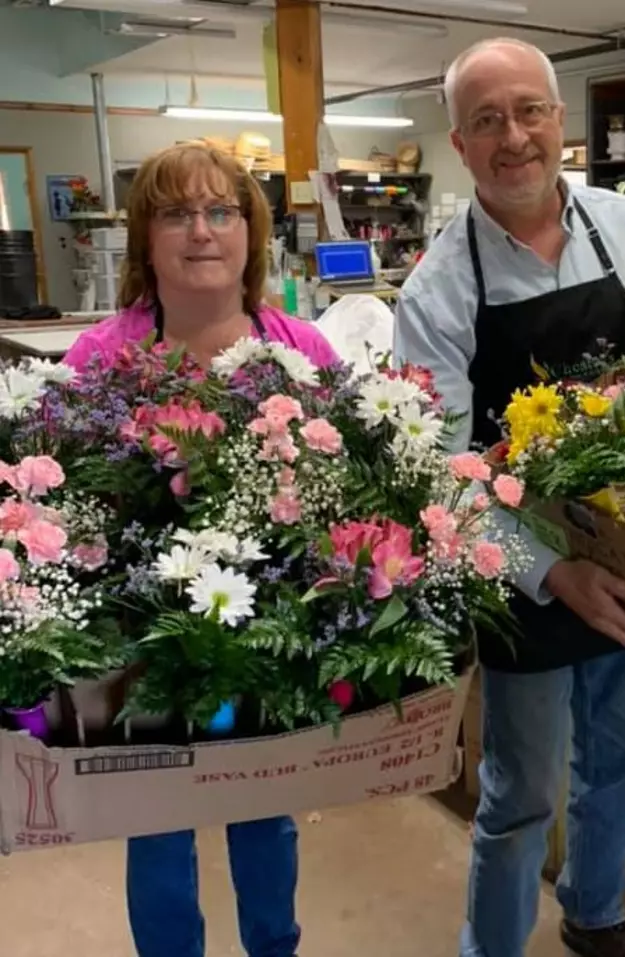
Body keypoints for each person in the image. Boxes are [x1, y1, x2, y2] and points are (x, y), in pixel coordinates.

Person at [394, 38, 625, 957]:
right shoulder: (436, 293)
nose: (513, 137)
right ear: (459, 145)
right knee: (518, 797)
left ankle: (596, 913)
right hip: (521, 575)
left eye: (529, 112)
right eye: (486, 121)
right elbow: (441, 479)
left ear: (561, 121)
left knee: (622, 759)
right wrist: (554, 573)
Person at [63, 143, 339, 957]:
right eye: (176, 213)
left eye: (221, 211)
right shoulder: (98, 360)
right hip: (141, 647)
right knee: (155, 827)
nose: (201, 231)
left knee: (265, 815)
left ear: (251, 233)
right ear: (145, 239)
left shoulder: (304, 350)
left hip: (267, 639)